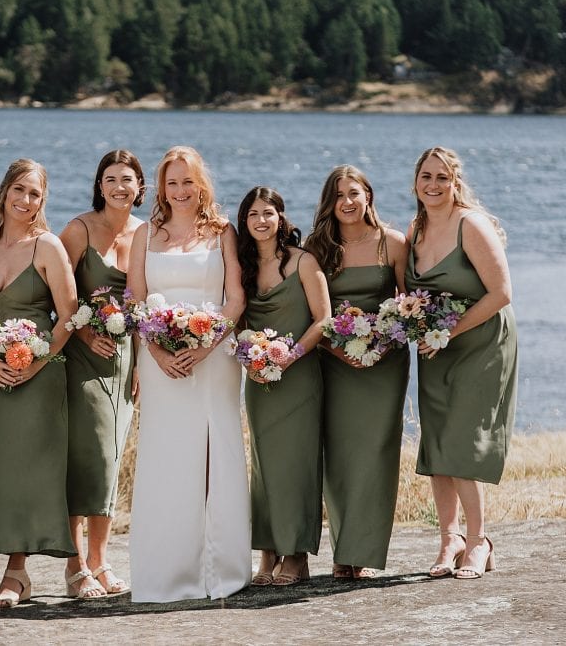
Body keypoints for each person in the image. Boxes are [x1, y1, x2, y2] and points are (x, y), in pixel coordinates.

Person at [125, 145, 250, 603]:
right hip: (159, 363)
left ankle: (222, 570)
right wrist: (156, 352)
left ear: (202, 186)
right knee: (167, 458)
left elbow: (235, 297)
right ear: (161, 188)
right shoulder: (145, 234)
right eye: (171, 183)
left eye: (187, 182)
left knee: (218, 455)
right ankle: (166, 572)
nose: (179, 191)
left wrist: (206, 346)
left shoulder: (222, 232)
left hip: (213, 360)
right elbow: (135, 299)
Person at [0, 159, 79, 608]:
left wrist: (35, 364)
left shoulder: (48, 247)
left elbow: (69, 316)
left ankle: (17, 572)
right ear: (4, 192)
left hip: (38, 377)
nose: (25, 200)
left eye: (35, 193)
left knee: (26, 471)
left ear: (42, 200)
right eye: (19, 189)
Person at [404, 147, 517, 580]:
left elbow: (502, 292)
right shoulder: (414, 230)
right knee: (436, 439)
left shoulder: (471, 224)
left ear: (456, 183)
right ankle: (448, 538)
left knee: (462, 438)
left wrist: (448, 331)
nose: (433, 185)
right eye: (426, 176)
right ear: (416, 181)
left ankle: (479, 540)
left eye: (442, 178)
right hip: (436, 347)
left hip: (482, 340)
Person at [306, 165, 410, 579]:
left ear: (368, 195)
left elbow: (407, 306)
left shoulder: (394, 243)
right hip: (333, 363)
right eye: (338, 195)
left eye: (354, 193)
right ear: (328, 203)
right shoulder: (318, 247)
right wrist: (337, 348)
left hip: (385, 365)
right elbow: (312, 312)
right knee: (340, 454)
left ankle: (363, 551)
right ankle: (342, 550)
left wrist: (382, 344)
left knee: (376, 452)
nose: (347, 202)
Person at [58, 150, 145, 599]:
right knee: (86, 458)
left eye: (127, 179)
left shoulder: (145, 233)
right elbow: (56, 295)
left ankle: (101, 562)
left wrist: (143, 365)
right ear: (99, 184)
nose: (118, 187)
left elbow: (148, 304)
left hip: (127, 359)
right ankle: (75, 567)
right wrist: (85, 336)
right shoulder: (78, 230)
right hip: (81, 357)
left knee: (110, 459)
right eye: (110, 178)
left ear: (140, 187)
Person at [235, 186, 330, 587]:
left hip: (299, 376)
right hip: (260, 380)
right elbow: (237, 320)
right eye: (253, 214)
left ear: (281, 217)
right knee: (264, 466)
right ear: (245, 221)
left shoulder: (303, 261)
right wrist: (252, 356)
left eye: (267, 213)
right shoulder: (241, 267)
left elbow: (324, 319)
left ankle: (296, 555)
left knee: (297, 465)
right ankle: (268, 553)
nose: (261, 221)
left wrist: (289, 355)